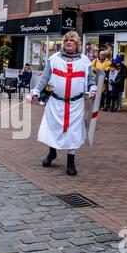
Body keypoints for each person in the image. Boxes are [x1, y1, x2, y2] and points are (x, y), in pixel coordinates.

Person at [26, 31, 97, 176]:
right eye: (66, 40)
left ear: (77, 44)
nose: (69, 42)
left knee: (73, 133)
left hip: (76, 104)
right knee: (54, 129)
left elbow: (90, 80)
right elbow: (44, 79)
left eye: (72, 40)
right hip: (56, 103)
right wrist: (35, 92)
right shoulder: (54, 59)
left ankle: (71, 162)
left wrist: (93, 89)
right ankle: (52, 154)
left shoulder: (84, 61)